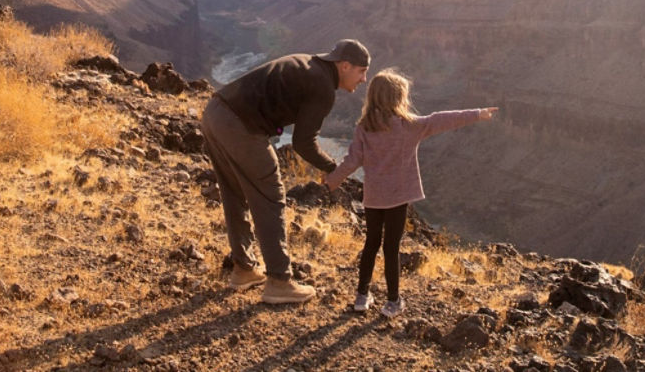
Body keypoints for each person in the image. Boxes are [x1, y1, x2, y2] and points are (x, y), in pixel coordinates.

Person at [201, 39, 370, 304]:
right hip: (241, 126)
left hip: (214, 114)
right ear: (345, 65)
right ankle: (279, 281)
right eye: (361, 71)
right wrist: (331, 168)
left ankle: (244, 269)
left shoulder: (309, 64)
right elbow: (303, 142)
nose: (363, 79)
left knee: (234, 193)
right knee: (271, 196)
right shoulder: (323, 87)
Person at [324, 68, 497, 317]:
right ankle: (392, 302)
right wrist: (478, 114)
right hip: (398, 197)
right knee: (391, 248)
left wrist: (331, 181)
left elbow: (351, 161)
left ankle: (362, 296)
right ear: (397, 98)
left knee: (371, 243)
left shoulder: (364, 127)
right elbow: (441, 119)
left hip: (374, 197)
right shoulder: (409, 126)